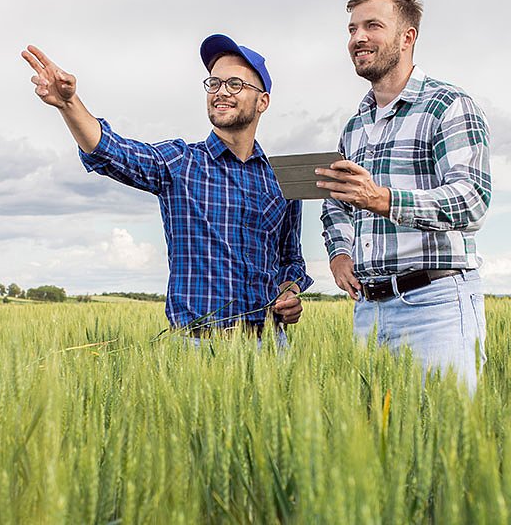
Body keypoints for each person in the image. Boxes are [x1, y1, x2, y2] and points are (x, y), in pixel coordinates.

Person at [21, 34, 312, 337]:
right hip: (198, 347)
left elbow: (291, 260)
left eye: (235, 84)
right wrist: (69, 104)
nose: (221, 92)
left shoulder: (282, 178)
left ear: (262, 101)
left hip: (270, 347)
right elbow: (113, 151)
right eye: (214, 83)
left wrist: (289, 294)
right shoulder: (181, 162)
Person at [317, 0, 492, 390]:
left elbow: (473, 200)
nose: (357, 38)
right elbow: (337, 204)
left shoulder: (448, 106)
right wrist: (340, 254)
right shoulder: (354, 125)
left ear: (407, 37)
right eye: (352, 28)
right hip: (369, 310)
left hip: (435, 305)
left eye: (372, 26)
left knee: (441, 439)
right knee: (379, 442)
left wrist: (382, 199)